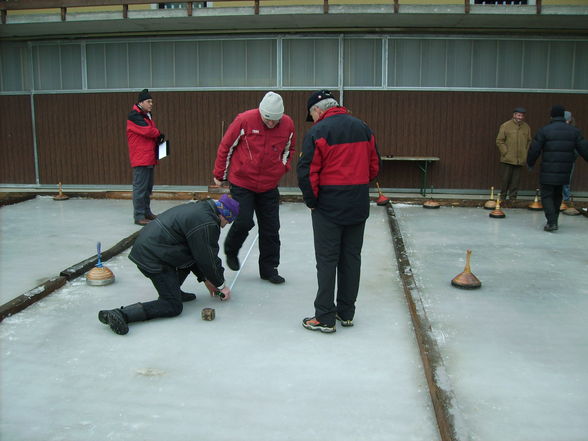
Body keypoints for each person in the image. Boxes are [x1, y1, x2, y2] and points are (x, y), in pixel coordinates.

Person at [297, 90, 380, 333]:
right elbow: (374, 166)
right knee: (351, 259)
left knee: (327, 261)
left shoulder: (317, 132)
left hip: (328, 207)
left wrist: (312, 201)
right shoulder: (363, 128)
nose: (312, 120)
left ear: (317, 110)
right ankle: (346, 312)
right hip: (357, 204)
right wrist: (358, 186)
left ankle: (324, 316)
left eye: (312, 115)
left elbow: (307, 172)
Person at [98, 194, 239, 335]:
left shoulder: (202, 209)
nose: (226, 225)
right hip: (153, 256)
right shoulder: (207, 222)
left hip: (157, 249)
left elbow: (195, 253)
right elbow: (208, 258)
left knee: (189, 259)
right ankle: (121, 314)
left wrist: (206, 279)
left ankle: (174, 291)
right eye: (228, 221)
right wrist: (220, 285)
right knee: (172, 306)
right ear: (225, 215)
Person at [212, 91, 296, 284]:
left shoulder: (288, 124)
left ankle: (269, 269)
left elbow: (289, 149)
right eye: (267, 119)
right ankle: (231, 249)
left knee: (271, 228)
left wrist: (282, 168)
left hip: (269, 184)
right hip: (242, 182)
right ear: (261, 112)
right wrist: (220, 175)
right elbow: (226, 146)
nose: (271, 124)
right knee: (243, 221)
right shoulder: (244, 120)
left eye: (275, 120)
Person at [527, 105, 588, 232]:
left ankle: (551, 221)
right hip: (565, 169)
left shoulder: (544, 130)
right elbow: (584, 148)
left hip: (548, 169)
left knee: (547, 195)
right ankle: (554, 220)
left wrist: (530, 163)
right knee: (557, 194)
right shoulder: (574, 131)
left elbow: (534, 149)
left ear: (552, 116)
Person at [127, 88, 164, 226]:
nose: (151, 104)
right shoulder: (134, 116)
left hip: (148, 157)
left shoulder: (146, 115)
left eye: (152, 101)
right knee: (140, 188)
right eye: (148, 101)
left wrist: (158, 136)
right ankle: (139, 216)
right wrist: (158, 133)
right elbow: (148, 131)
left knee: (147, 188)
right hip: (141, 158)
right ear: (141, 102)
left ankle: (146, 212)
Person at [496, 107, 532, 204]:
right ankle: (502, 197)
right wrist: (505, 152)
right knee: (505, 179)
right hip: (507, 158)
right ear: (514, 115)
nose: (520, 117)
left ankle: (513, 198)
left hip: (520, 159)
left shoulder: (526, 127)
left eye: (522, 115)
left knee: (516, 180)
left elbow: (529, 141)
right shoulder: (505, 126)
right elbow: (499, 141)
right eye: (518, 115)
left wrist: (525, 152)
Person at [561, 110, 577, 208]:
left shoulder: (574, 132)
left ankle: (565, 200)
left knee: (566, 181)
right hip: (559, 160)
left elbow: (577, 148)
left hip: (569, 160)